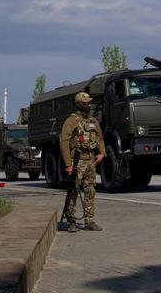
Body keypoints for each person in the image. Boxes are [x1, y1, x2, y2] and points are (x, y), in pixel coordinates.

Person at [60, 91, 105, 232]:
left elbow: (100, 138)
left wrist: (102, 153)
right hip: (77, 160)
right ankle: (71, 220)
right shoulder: (71, 121)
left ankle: (89, 220)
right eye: (86, 103)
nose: (89, 105)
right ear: (79, 104)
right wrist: (68, 163)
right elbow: (64, 141)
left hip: (91, 160)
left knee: (90, 190)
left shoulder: (93, 121)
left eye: (90, 103)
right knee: (73, 190)